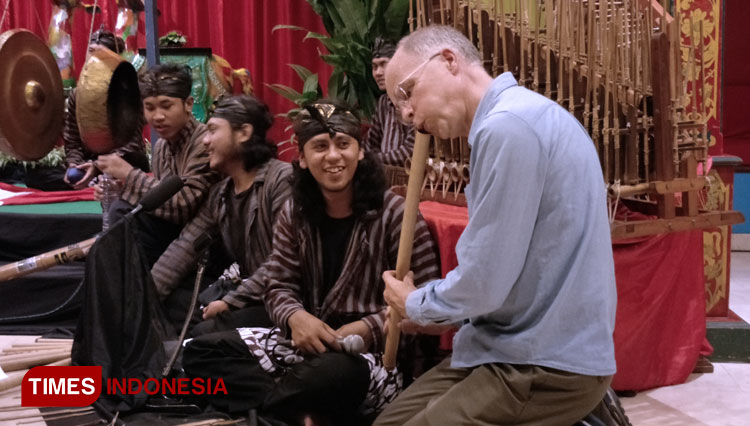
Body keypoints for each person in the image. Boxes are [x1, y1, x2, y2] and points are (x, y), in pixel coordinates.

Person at [376, 25, 617, 426]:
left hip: (544, 362)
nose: (405, 113)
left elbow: (486, 281)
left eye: (407, 91)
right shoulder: (513, 120)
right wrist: (435, 314)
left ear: (449, 61)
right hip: (505, 347)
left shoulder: (509, 126)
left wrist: (415, 302)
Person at [182, 101, 441, 424]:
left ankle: (272, 413)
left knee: (332, 373)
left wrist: (369, 327)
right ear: (302, 159)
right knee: (198, 351)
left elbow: (427, 299)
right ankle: (301, 413)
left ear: (360, 152)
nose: (333, 156)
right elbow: (278, 283)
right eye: (320, 146)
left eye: (343, 144)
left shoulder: (396, 215)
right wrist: (295, 317)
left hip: (370, 360)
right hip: (306, 345)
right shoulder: (296, 212)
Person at [150, 95, 293, 335]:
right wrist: (143, 298)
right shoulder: (221, 193)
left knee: (204, 332)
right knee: (171, 305)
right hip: (250, 293)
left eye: (213, 131)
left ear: (244, 133)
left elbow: (283, 261)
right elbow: (184, 248)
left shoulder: (281, 180)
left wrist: (232, 301)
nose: (205, 141)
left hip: (283, 298)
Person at [96, 63, 220, 267]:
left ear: (188, 104)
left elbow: (182, 208)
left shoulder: (205, 142)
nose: (157, 116)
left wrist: (129, 175)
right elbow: (161, 201)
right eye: (150, 108)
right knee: (120, 210)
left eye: (166, 105)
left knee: (122, 216)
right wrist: (120, 189)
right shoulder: (162, 146)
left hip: (203, 241)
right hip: (173, 233)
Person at [23, 29, 148, 191]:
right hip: (90, 161)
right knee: (33, 176)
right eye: (91, 54)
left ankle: (94, 180)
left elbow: (132, 144)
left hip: (122, 159)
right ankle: (92, 181)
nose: (93, 60)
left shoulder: (128, 90)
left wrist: (97, 166)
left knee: (136, 164)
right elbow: (73, 139)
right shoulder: (78, 93)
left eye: (100, 55)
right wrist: (76, 164)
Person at [364, 37, 415, 167]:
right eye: (374, 67)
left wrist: (371, 159)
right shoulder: (383, 102)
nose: (378, 73)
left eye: (383, 64)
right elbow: (371, 143)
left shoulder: (413, 101)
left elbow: (411, 151)